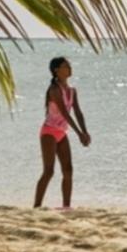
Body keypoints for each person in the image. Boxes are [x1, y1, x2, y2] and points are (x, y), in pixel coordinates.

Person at [33, 56, 91, 208]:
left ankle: (66, 207)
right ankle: (36, 207)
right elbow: (65, 113)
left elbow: (78, 112)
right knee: (49, 171)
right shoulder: (54, 90)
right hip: (49, 132)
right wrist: (79, 134)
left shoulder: (72, 91)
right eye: (66, 66)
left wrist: (85, 131)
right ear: (56, 70)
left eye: (69, 65)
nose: (69, 68)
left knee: (68, 171)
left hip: (61, 133)